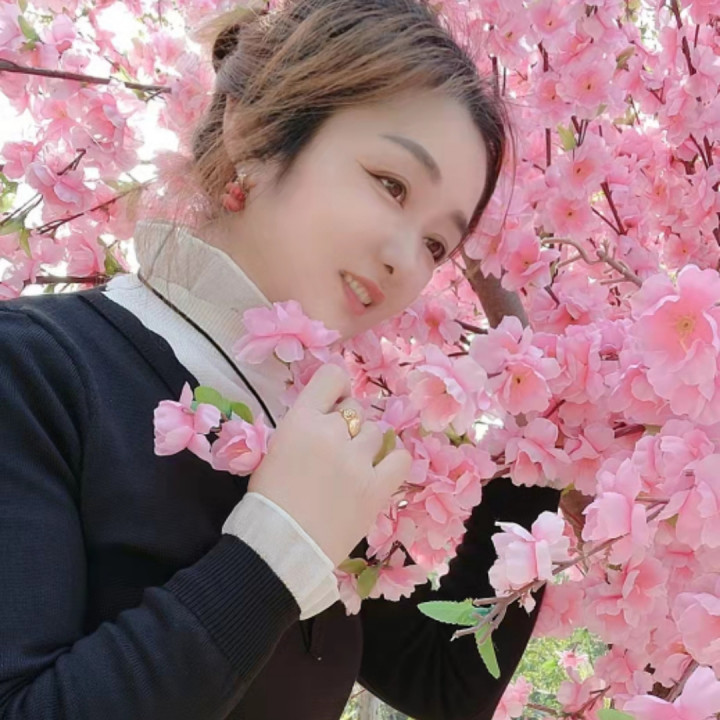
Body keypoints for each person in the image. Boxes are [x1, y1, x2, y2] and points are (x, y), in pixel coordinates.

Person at [0, 0, 560, 718]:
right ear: (254, 130)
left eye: (435, 245)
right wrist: (275, 549)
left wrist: (543, 440)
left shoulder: (315, 439)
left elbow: (443, 683)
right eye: (390, 184)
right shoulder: (34, 371)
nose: (404, 261)